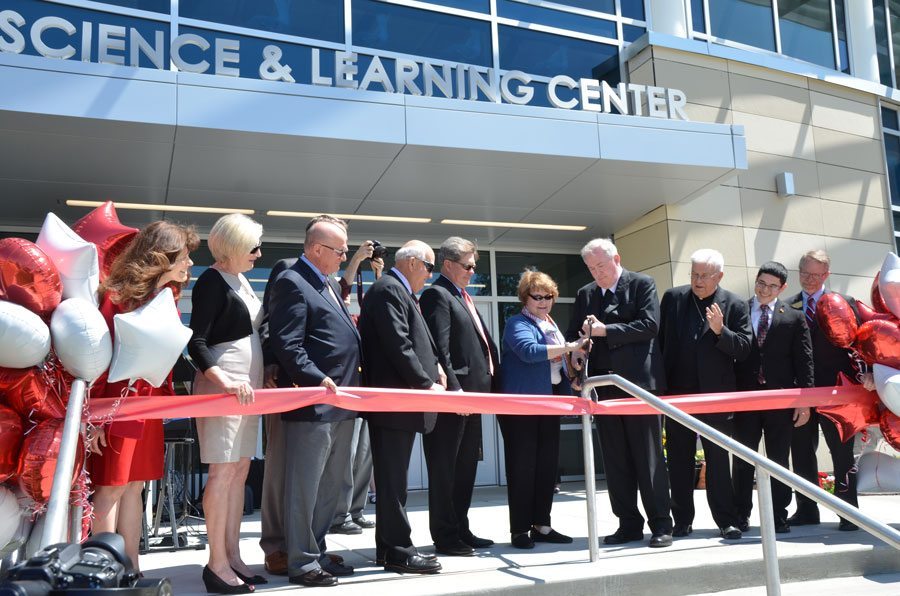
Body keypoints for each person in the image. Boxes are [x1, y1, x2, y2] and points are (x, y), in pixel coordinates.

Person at [89, 220, 199, 574]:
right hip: (118, 407)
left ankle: (132, 568)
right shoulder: (118, 297)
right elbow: (100, 358)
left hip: (147, 407)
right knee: (111, 489)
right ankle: (104, 571)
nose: (189, 264)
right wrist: (100, 416)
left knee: (135, 487)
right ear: (163, 257)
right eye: (184, 256)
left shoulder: (166, 298)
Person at [267, 215, 362, 588]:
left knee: (329, 487)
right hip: (315, 402)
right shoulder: (292, 281)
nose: (344, 257)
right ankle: (301, 562)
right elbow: (288, 343)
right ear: (316, 249)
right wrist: (314, 377)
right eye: (339, 251)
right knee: (306, 487)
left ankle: (317, 551)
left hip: (342, 399)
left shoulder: (326, 283)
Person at [566, 238, 673, 548]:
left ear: (616, 259)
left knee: (648, 457)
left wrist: (605, 331)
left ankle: (661, 524)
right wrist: (576, 356)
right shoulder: (586, 294)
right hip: (603, 388)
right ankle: (627, 523)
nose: (597, 273)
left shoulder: (642, 283)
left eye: (601, 266)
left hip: (639, 386)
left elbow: (650, 325)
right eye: (591, 268)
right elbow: (576, 332)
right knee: (615, 459)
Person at [187, 214, 266, 593]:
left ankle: (232, 556)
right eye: (252, 247)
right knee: (222, 474)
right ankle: (216, 563)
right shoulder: (211, 281)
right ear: (233, 247)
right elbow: (196, 343)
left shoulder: (242, 279)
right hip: (224, 390)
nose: (258, 253)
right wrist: (226, 381)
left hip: (246, 391)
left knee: (239, 472)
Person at [359, 240, 445, 574]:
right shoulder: (389, 289)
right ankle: (398, 550)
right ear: (412, 262)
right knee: (393, 482)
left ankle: (388, 548)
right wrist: (426, 383)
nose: (430, 274)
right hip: (394, 402)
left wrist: (433, 367)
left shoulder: (398, 291)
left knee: (395, 481)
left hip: (401, 404)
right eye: (430, 266)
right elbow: (399, 344)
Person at [658, 248, 751, 540]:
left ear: (719, 276)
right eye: (694, 274)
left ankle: (726, 519)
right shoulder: (673, 298)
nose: (697, 280)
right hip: (678, 396)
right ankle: (682, 520)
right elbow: (660, 346)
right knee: (679, 459)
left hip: (716, 396)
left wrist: (720, 330)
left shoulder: (734, 304)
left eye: (704, 275)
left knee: (718, 461)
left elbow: (745, 348)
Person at [420, 236, 498, 556]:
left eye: (474, 266)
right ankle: (445, 534)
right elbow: (439, 349)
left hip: (473, 401)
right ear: (448, 264)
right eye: (467, 266)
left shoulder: (461, 295)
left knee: (465, 468)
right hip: (455, 400)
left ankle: (460, 528)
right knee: (445, 468)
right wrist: (455, 391)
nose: (472, 271)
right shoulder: (437, 295)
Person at [498, 269, 587, 549]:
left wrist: (573, 369)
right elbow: (528, 351)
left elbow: (557, 365)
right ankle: (520, 530)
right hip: (523, 407)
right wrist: (567, 347)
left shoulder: (551, 325)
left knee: (547, 469)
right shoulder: (517, 323)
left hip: (549, 404)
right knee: (522, 468)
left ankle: (542, 526)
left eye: (548, 296)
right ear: (525, 298)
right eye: (537, 297)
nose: (543, 302)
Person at [733, 261, 813, 534]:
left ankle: (779, 515)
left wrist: (805, 401)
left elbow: (805, 361)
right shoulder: (739, 310)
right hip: (746, 399)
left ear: (783, 288)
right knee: (743, 458)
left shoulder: (793, 317)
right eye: (761, 283)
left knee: (779, 459)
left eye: (772, 286)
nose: (765, 290)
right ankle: (740, 515)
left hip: (781, 402)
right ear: (755, 281)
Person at [787, 250, 861, 531]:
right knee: (802, 452)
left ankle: (849, 513)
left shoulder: (847, 304)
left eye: (817, 275)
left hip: (837, 393)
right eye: (805, 273)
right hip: (800, 395)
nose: (809, 279)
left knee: (842, 453)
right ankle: (806, 509)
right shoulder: (787, 306)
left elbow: (859, 345)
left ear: (827, 275)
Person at [329, 241, 383, 535]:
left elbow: (384, 304)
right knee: (347, 455)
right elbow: (344, 287)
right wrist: (357, 259)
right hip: (348, 388)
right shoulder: (339, 309)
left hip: (368, 388)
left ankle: (357, 509)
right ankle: (339, 514)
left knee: (365, 453)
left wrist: (377, 273)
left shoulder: (364, 317)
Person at [257, 257, 295, 575]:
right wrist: (270, 360)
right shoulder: (287, 267)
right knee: (280, 464)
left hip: (320, 386)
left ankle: (306, 545)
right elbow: (271, 319)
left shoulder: (329, 280)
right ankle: (275, 546)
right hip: (285, 383)